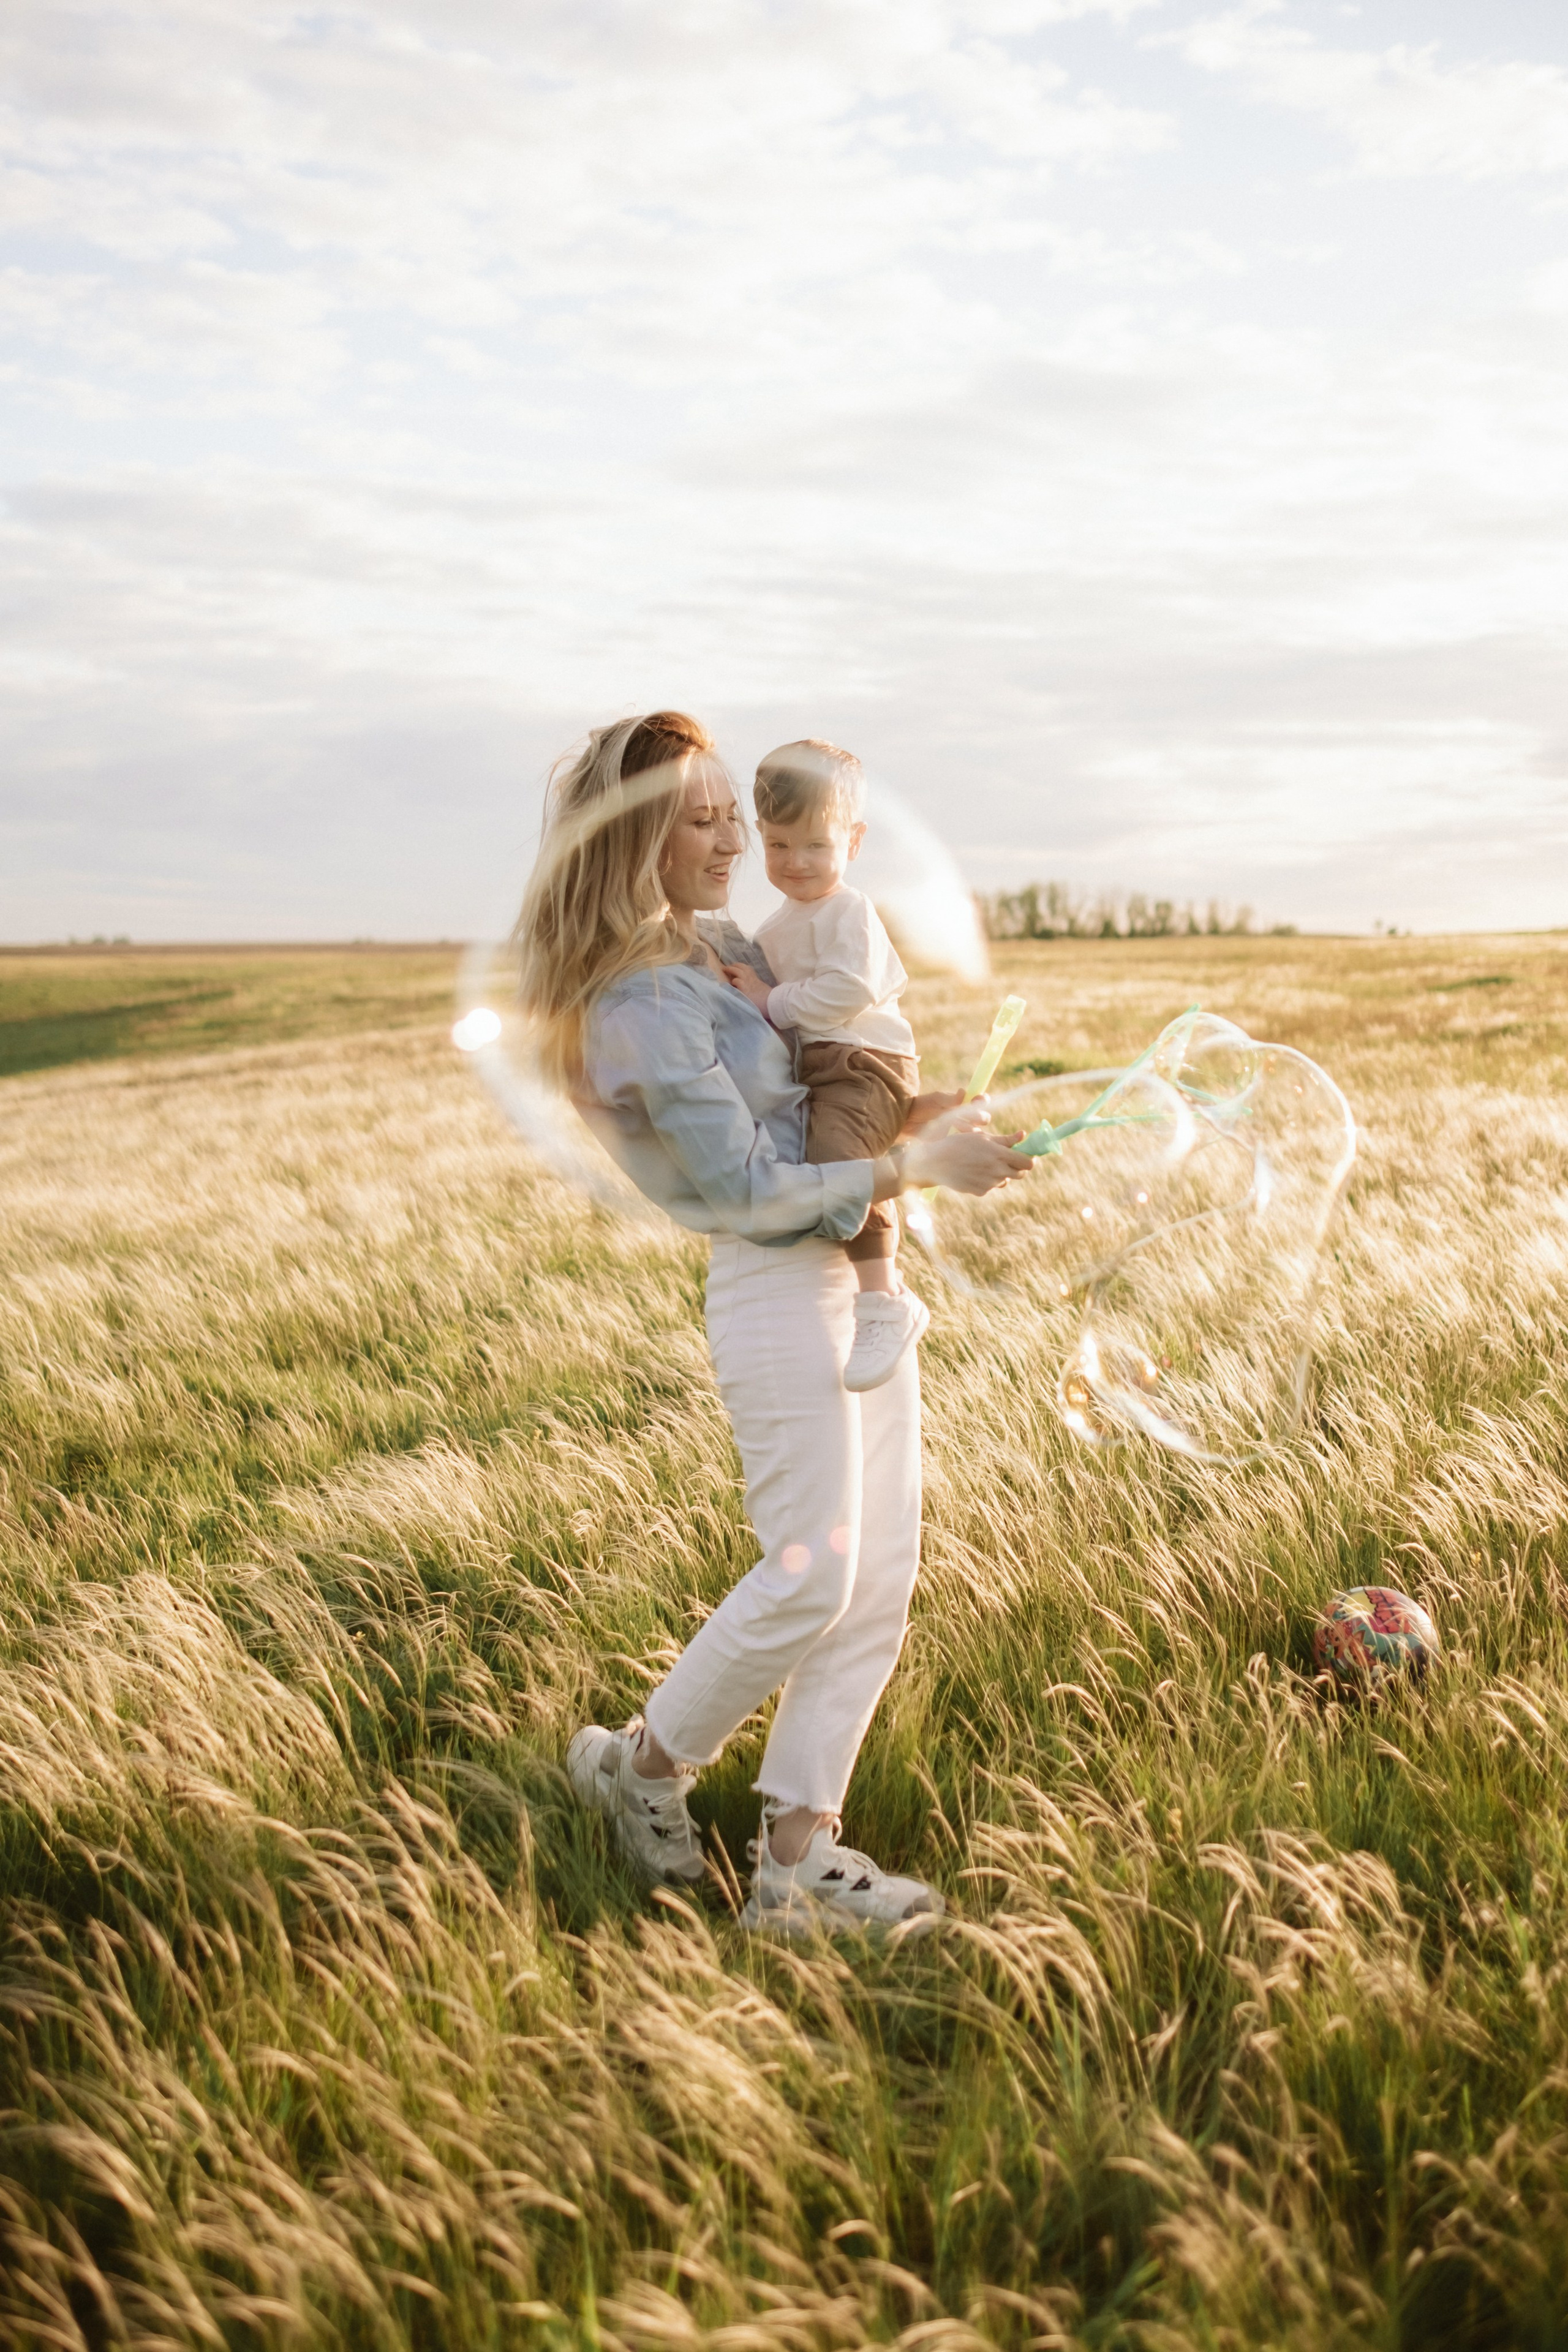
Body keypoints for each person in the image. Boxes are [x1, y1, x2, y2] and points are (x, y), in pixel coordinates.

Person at [514, 710, 1030, 1934]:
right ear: (634, 834)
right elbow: (747, 1189)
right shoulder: (638, 1002)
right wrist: (914, 1179)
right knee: (812, 1572)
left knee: (879, 1576)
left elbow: (813, 1096)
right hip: (771, 1278)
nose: (732, 835)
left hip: (845, 1274)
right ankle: (640, 1771)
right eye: (699, 816)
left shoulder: (720, 948)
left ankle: (796, 1858)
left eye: (725, 811)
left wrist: (915, 1119)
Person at [721, 739, 926, 1396]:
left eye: (815, 845)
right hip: (823, 1066)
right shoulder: (779, 926)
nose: (796, 863)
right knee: (811, 1159)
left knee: (841, 1164)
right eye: (779, 846)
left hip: (866, 1062)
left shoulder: (850, 912)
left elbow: (848, 991)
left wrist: (768, 998)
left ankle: (884, 1301)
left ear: (854, 840)